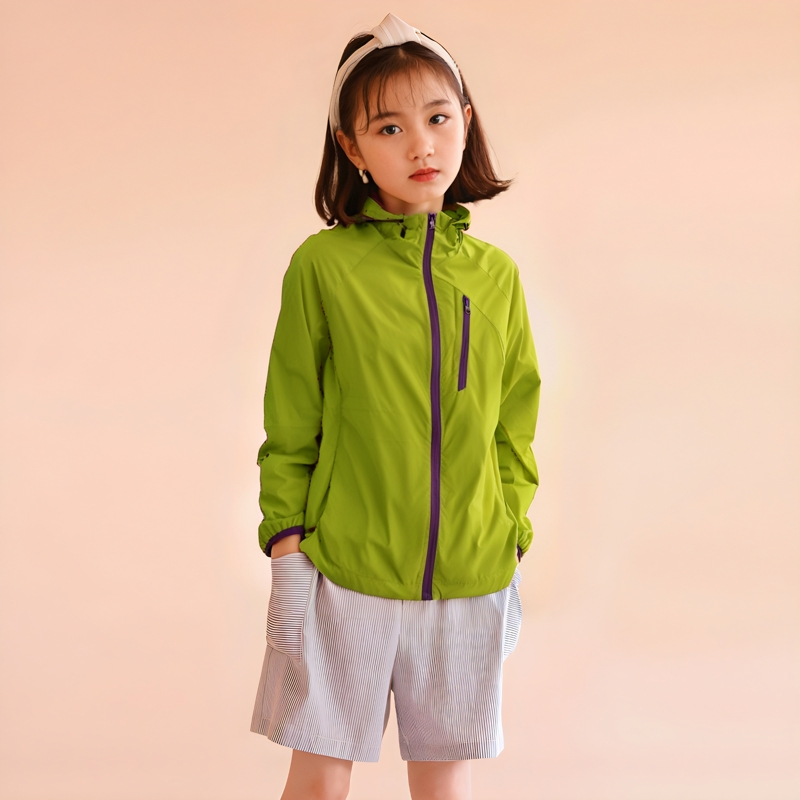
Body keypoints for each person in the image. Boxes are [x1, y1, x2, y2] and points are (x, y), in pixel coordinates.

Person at [249, 13, 541, 800]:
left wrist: (510, 531)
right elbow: (292, 421)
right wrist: (287, 548)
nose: (421, 146)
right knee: (319, 781)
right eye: (389, 127)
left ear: (465, 123)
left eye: (438, 118)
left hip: (470, 575)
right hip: (343, 570)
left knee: (444, 788)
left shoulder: (496, 276)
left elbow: (514, 425)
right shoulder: (323, 267)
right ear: (352, 148)